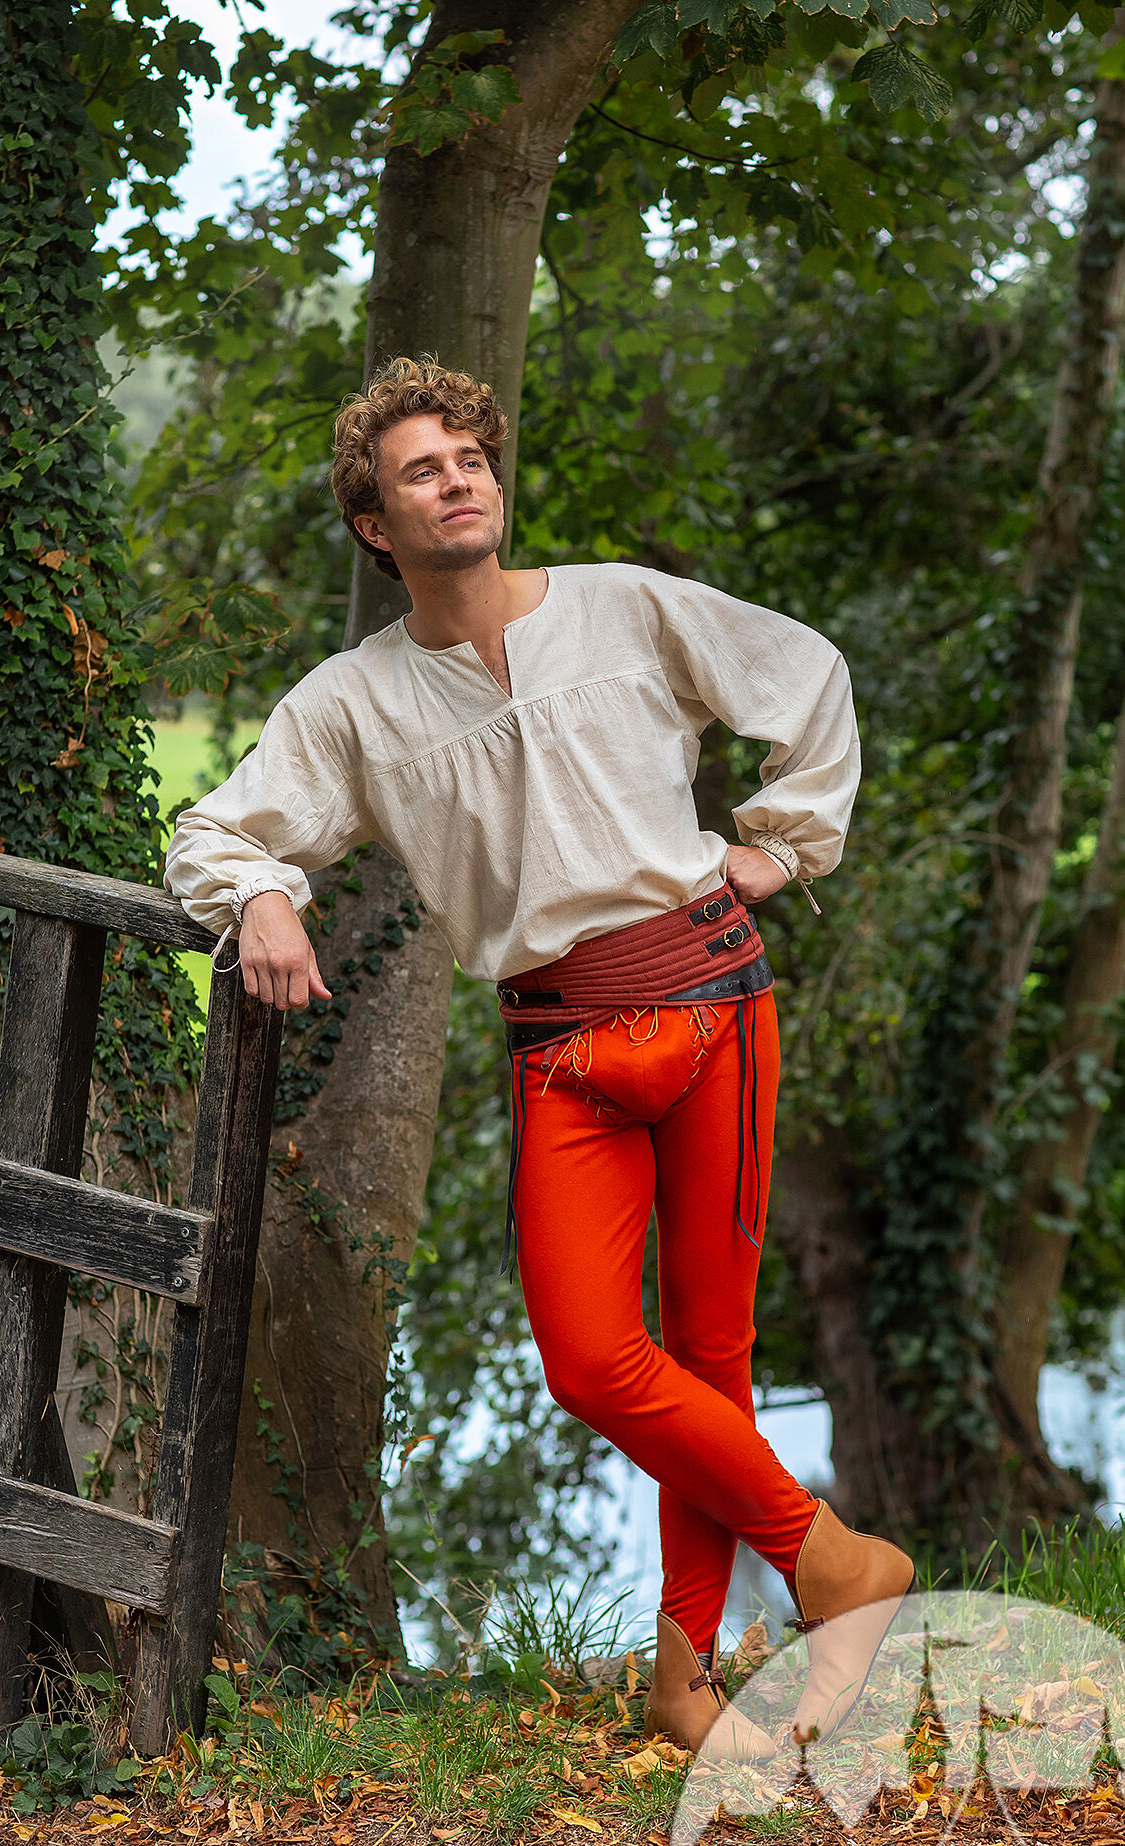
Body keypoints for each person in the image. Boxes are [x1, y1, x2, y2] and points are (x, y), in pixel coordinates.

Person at [164, 356, 913, 1757]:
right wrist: (260, 894)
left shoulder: (624, 606)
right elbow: (215, 827)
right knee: (592, 1361)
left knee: (712, 1353)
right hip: (559, 1045)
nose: (458, 482)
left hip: (713, 999)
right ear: (376, 524)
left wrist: (780, 846)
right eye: (421, 472)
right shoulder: (354, 702)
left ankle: (684, 1683)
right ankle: (835, 1559)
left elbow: (805, 672)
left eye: (470, 460)